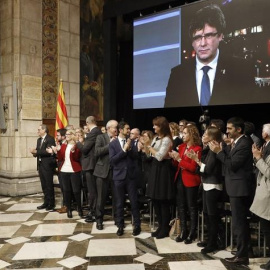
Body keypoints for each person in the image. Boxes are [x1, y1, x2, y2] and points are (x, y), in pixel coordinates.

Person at [164, 4, 255, 108]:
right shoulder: (177, 74)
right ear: (192, 42)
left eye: (208, 36)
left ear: (220, 36)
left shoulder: (242, 69)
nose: (202, 43)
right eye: (197, 37)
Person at [209, 117, 253, 266]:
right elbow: (229, 157)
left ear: (238, 130)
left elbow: (233, 164)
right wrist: (222, 148)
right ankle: (242, 251)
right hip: (234, 187)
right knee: (238, 223)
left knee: (240, 223)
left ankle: (242, 255)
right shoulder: (237, 142)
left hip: (240, 189)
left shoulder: (245, 143)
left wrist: (218, 152)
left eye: (229, 129)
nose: (226, 131)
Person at [187, 126, 223, 253]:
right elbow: (201, 169)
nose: (203, 135)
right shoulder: (208, 149)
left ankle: (213, 243)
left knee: (212, 216)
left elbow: (208, 169)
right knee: (207, 215)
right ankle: (210, 240)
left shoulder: (214, 150)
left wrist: (196, 160)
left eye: (206, 134)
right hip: (207, 185)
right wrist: (197, 161)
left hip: (213, 186)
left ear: (212, 137)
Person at [170, 125, 202, 244]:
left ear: (191, 135)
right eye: (182, 133)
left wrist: (179, 159)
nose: (182, 135)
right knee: (181, 206)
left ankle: (192, 233)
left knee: (191, 207)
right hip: (179, 179)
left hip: (191, 180)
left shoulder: (197, 148)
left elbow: (193, 168)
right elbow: (176, 165)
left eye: (185, 133)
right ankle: (183, 231)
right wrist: (174, 158)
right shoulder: (182, 147)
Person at [109, 121, 141, 237]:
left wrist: (130, 148)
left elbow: (136, 157)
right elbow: (112, 161)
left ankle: (137, 225)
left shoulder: (132, 142)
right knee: (119, 202)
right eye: (127, 129)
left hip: (131, 177)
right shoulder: (113, 144)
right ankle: (120, 225)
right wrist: (123, 150)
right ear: (121, 130)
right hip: (118, 177)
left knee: (134, 202)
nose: (129, 131)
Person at [146, 116, 174, 239]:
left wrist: (149, 147)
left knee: (162, 200)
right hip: (155, 169)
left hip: (163, 170)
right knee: (155, 199)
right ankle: (160, 226)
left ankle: (165, 227)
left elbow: (159, 156)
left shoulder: (167, 140)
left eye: (155, 125)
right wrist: (147, 148)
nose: (153, 127)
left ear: (161, 126)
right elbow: (150, 154)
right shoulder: (156, 138)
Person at [250, 124, 270, 270]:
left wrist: (258, 159)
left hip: (268, 195)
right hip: (264, 194)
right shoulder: (266, 146)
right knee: (266, 229)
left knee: (268, 230)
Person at [93, 119, 118, 230]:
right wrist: (110, 145)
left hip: (116, 172)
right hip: (102, 172)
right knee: (101, 198)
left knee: (117, 197)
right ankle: (99, 220)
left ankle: (118, 219)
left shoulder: (119, 139)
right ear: (108, 128)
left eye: (117, 127)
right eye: (114, 127)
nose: (116, 129)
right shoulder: (101, 137)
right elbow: (97, 152)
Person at [76, 116, 102, 223]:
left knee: (92, 191)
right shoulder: (98, 131)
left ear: (87, 123)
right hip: (93, 165)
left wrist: (79, 142)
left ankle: (93, 212)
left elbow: (85, 149)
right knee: (93, 191)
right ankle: (94, 211)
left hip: (91, 165)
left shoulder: (93, 132)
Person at [54, 129, 82, 218]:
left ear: (73, 135)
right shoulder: (63, 145)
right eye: (66, 134)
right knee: (66, 191)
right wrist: (58, 150)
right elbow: (60, 158)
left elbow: (77, 158)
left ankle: (79, 208)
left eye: (69, 134)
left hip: (74, 170)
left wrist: (74, 151)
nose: (67, 135)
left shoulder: (77, 145)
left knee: (76, 191)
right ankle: (69, 209)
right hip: (64, 170)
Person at [30, 124, 56, 211]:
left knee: (49, 185)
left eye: (39, 130)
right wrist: (34, 153)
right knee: (44, 185)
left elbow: (48, 152)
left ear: (44, 130)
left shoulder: (50, 139)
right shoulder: (39, 140)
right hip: (40, 165)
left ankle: (51, 203)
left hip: (48, 166)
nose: (37, 131)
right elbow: (39, 151)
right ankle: (46, 202)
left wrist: (36, 152)